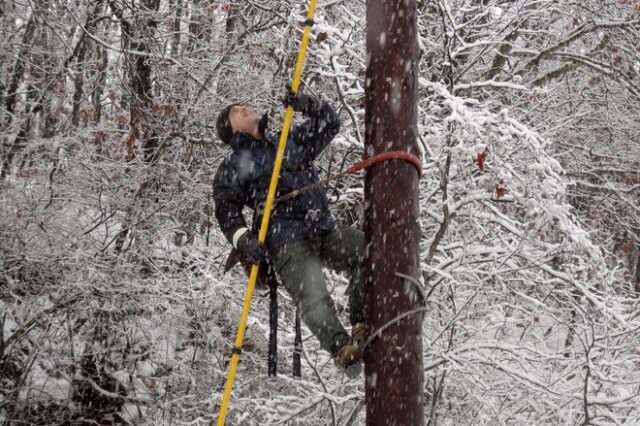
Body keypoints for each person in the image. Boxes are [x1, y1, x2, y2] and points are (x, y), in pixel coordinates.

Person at [212, 91, 365, 368]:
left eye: (244, 103)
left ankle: (362, 322)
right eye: (236, 110)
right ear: (231, 129)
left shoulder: (288, 141)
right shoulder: (233, 165)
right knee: (312, 292)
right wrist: (243, 239)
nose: (245, 106)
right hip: (285, 239)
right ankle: (342, 348)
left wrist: (310, 104)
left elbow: (329, 123)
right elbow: (226, 210)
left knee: (368, 250)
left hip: (322, 227)